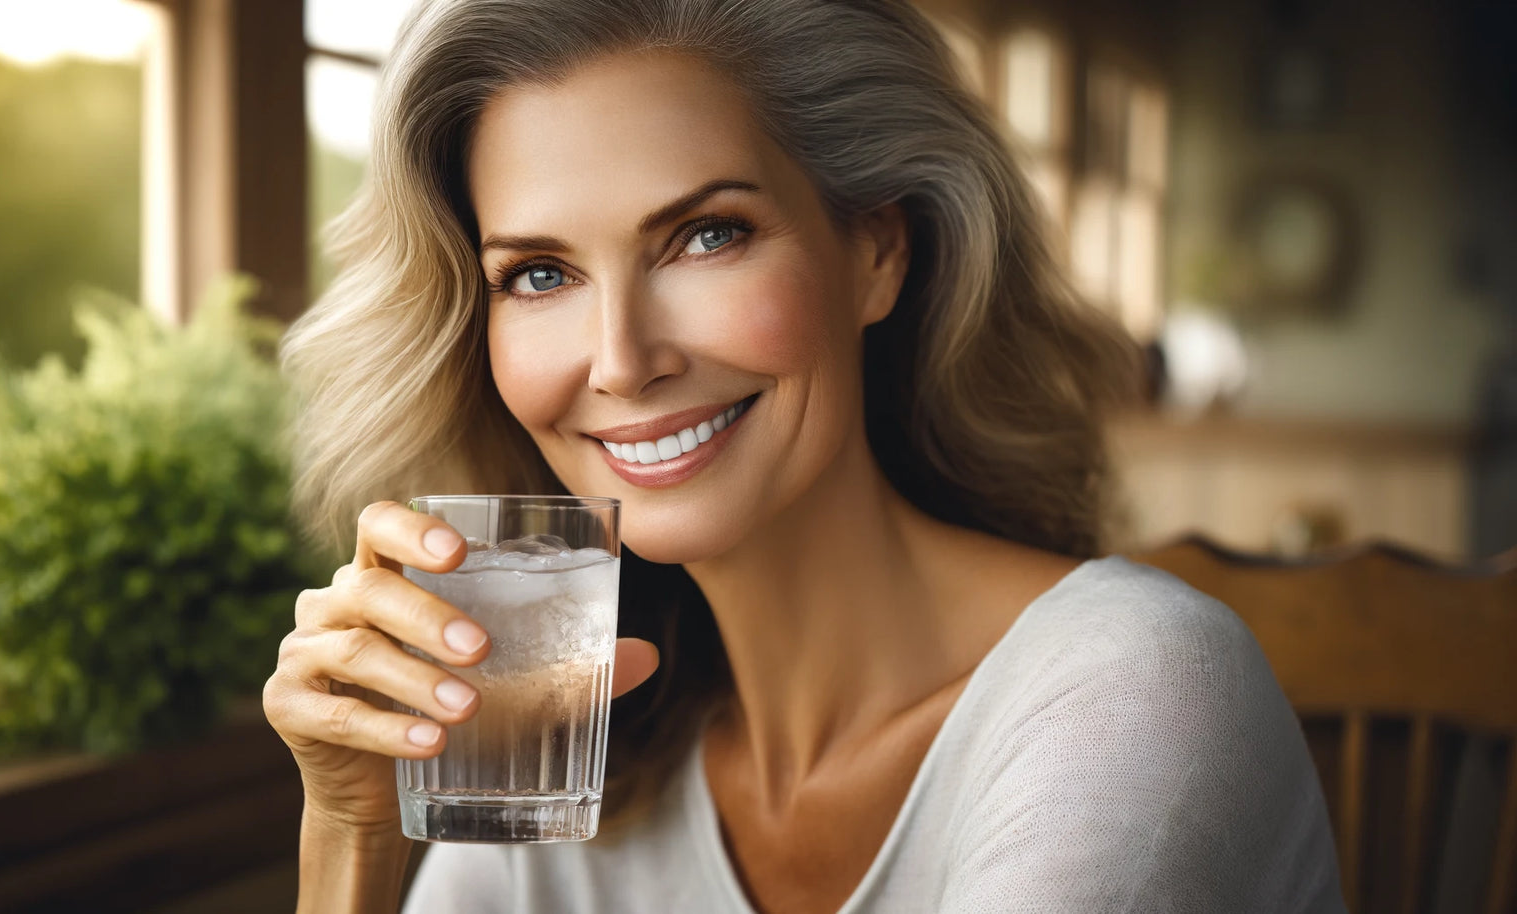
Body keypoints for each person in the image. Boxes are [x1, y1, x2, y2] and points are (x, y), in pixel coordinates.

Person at [264, 0, 1345, 911]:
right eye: (539, 274)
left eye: (704, 234)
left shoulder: (1136, 688)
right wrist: (353, 837)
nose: (623, 360)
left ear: (877, 251)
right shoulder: (541, 738)